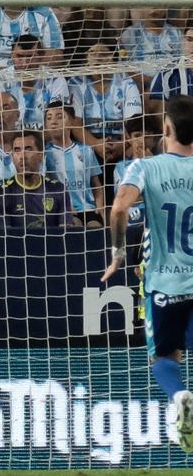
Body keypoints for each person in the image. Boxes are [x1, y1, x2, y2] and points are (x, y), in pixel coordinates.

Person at [104, 93, 193, 454]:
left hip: (164, 283)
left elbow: (119, 208)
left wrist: (118, 253)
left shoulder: (144, 166)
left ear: (166, 128)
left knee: (164, 359)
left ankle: (180, 397)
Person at [0, 130, 74, 228]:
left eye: (28, 149)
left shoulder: (58, 190)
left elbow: (65, 235)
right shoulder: (1, 194)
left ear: (41, 155)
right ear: (12, 157)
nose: (22, 157)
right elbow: (3, 241)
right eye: (17, 150)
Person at [0, 34, 70, 130]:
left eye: (30, 56)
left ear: (41, 56)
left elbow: (59, 124)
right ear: (12, 56)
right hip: (11, 138)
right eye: (20, 56)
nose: (25, 63)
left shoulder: (55, 79)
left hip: (46, 139)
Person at [44, 103, 104, 227]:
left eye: (59, 116)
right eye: (49, 118)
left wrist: (100, 207)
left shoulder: (86, 150)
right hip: (60, 209)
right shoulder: (44, 153)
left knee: (95, 228)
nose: (53, 121)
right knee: (73, 226)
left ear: (71, 121)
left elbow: (96, 185)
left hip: (88, 208)